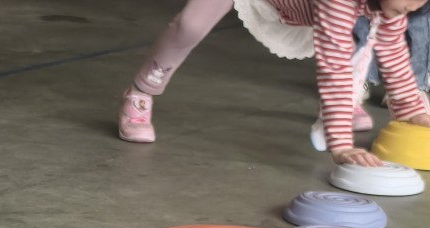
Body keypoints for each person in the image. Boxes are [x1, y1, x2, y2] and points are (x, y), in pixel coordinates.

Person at [118, 0, 430, 165]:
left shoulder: (394, 6)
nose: (416, 6)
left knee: (353, 41)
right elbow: (332, 65)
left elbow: (392, 50)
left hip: (298, 9)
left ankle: (341, 105)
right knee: (190, 26)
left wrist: (412, 110)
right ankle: (141, 92)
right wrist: (341, 145)